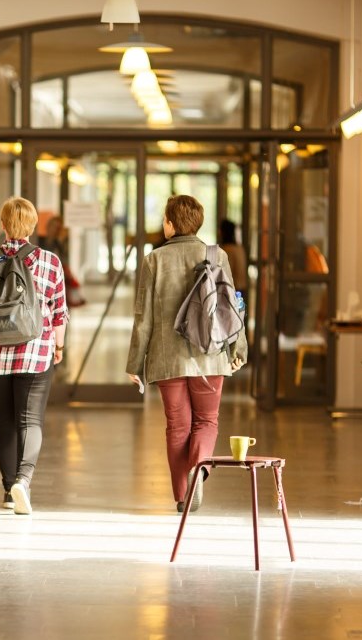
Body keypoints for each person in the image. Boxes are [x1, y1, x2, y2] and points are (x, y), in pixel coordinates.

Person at [126, 195, 247, 513]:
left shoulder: (154, 260)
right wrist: (238, 348)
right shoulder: (216, 254)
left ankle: (182, 496)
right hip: (211, 354)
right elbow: (231, 306)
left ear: (169, 224)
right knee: (207, 421)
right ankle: (200, 469)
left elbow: (144, 318)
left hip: (169, 358)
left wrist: (135, 364)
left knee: (177, 426)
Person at [0, 197, 69, 515]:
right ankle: (24, 479)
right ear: (33, 226)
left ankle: (8, 490)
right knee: (29, 420)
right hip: (35, 353)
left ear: (3, 225)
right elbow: (59, 313)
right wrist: (58, 347)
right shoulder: (50, 262)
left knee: (4, 422)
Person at [219, 219, 248, 300]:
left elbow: (225, 273)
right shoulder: (240, 248)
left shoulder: (226, 249)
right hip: (242, 288)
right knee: (240, 311)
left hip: (230, 290)